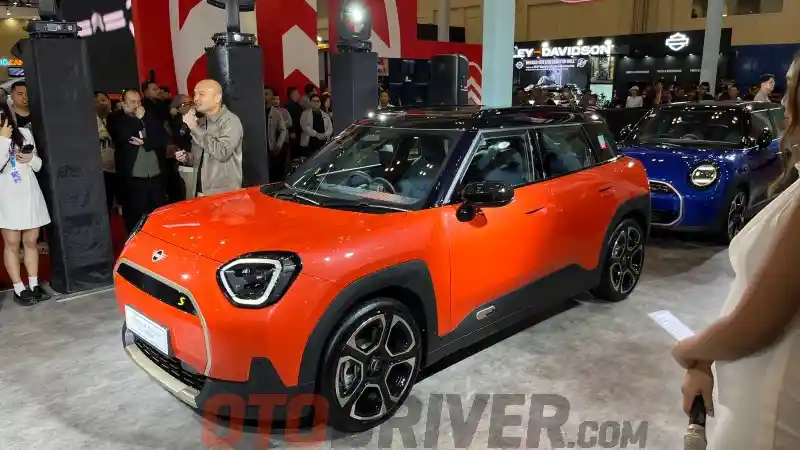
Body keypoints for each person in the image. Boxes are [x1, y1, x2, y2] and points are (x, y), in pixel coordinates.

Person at [673, 54, 800, 450]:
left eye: (792, 87)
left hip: (774, 414)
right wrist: (706, 359)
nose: (783, 101)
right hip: (753, 399)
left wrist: (690, 350)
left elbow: (760, 322)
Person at [0, 101, 50, 305]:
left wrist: (30, 158)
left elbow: (38, 165)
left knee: (31, 241)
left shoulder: (24, 133)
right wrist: (3, 140)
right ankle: (19, 288)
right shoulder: (3, 138)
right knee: (12, 244)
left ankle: (34, 284)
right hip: (7, 197)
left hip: (30, 194)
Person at [108, 89, 167, 233]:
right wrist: (141, 120)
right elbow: (124, 135)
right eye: (133, 102)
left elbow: (162, 137)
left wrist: (145, 139)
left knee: (157, 215)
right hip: (133, 178)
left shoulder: (148, 115)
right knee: (134, 217)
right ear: (123, 104)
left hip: (155, 175)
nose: (137, 105)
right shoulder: (116, 118)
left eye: (139, 101)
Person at [175, 79, 243, 197]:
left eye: (201, 94)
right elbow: (199, 157)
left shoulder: (230, 121)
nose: (196, 99)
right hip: (199, 191)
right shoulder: (201, 122)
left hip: (223, 194)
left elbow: (222, 153)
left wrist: (194, 127)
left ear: (217, 98)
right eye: (195, 94)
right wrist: (187, 157)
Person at [95, 91, 117, 212]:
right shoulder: (89, 122)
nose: (100, 104)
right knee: (104, 207)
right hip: (101, 171)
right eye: (96, 101)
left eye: (103, 100)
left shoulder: (116, 119)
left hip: (118, 168)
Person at [264, 86, 288, 182]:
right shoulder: (255, 111)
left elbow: (283, 129)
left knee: (273, 173)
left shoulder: (276, 113)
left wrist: (278, 145)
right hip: (258, 148)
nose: (264, 96)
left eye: (267, 94)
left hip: (271, 147)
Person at [299, 93, 332, 158]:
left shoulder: (325, 114)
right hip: (310, 143)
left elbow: (330, 128)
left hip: (323, 142)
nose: (316, 103)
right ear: (310, 102)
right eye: (314, 101)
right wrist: (317, 134)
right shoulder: (305, 114)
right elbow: (305, 127)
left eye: (318, 101)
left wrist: (325, 135)